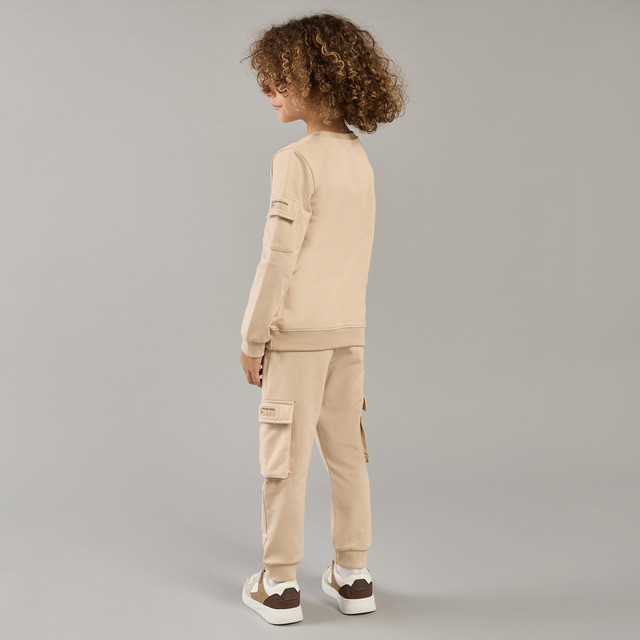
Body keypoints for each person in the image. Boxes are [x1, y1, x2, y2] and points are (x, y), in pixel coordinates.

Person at [238, 12, 406, 625]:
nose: (269, 91)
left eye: (280, 79)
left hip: (297, 338)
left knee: (284, 458)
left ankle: (280, 584)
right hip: (348, 335)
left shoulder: (296, 160)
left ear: (319, 80)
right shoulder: (358, 158)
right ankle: (354, 575)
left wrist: (253, 337)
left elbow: (278, 257)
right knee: (348, 454)